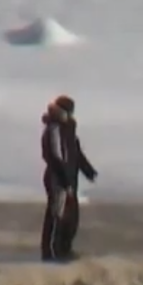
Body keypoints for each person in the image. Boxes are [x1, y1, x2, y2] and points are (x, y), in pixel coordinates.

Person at [40, 95, 97, 262]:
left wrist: (88, 171)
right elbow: (53, 156)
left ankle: (64, 249)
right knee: (56, 214)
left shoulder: (69, 130)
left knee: (71, 217)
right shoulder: (54, 129)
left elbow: (76, 154)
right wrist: (65, 180)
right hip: (57, 178)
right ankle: (50, 251)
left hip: (70, 178)